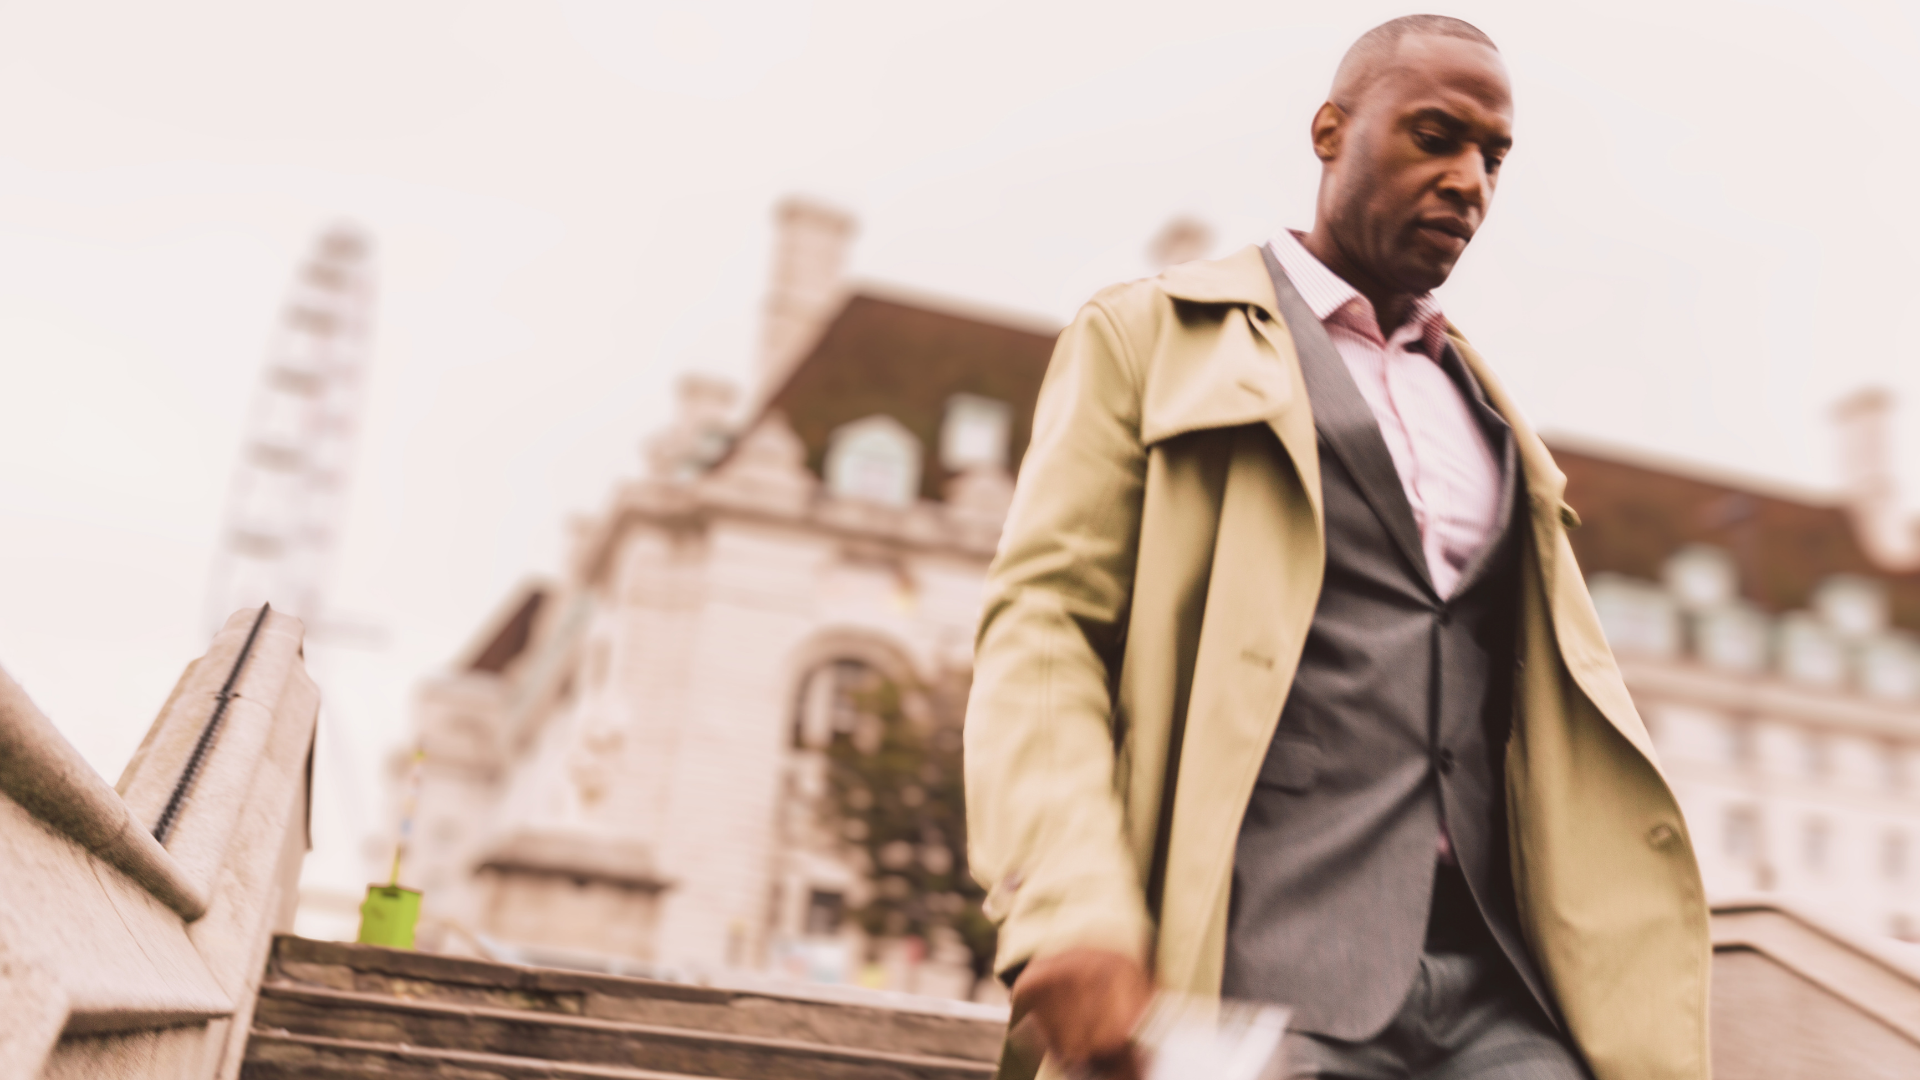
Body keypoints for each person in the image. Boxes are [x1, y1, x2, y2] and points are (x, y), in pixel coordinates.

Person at [963, 15, 1709, 1080]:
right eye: (1436, 136)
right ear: (1330, 131)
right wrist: (1069, 906)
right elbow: (1044, 634)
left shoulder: (1493, 418)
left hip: (1498, 987)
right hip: (1255, 981)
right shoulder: (1148, 337)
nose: (1470, 181)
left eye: (1493, 157)